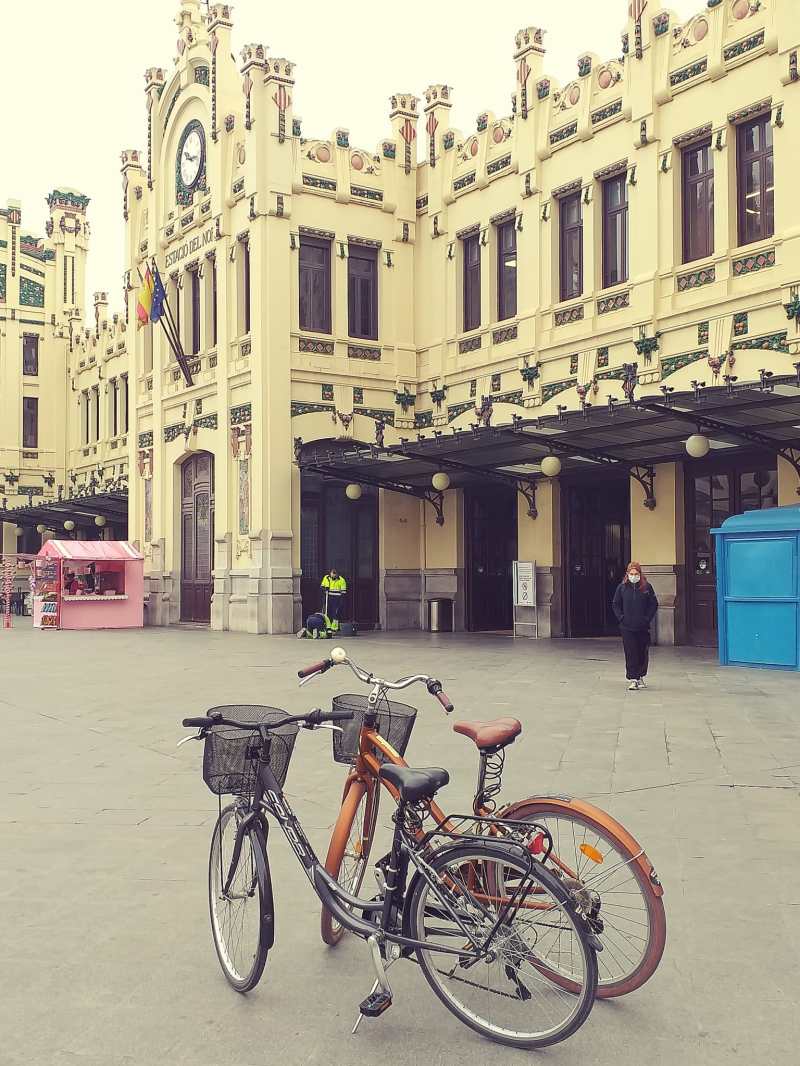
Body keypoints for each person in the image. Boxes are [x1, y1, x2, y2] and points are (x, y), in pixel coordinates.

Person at [612, 562, 658, 691]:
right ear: (627, 574)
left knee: (642, 652)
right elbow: (615, 604)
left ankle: (641, 675)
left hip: (642, 627)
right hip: (627, 627)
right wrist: (621, 618)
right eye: (631, 574)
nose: (634, 576)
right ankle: (633, 678)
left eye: (636, 574)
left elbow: (653, 604)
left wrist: (647, 619)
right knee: (631, 653)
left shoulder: (647, 587)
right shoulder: (622, 588)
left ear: (640, 574)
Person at [320, 567, 347, 632]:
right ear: (330, 573)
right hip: (328, 597)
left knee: (335, 613)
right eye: (332, 574)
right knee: (326, 612)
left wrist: (341, 601)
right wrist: (324, 588)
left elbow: (343, 592)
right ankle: (327, 626)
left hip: (337, 598)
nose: (333, 576)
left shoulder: (341, 580)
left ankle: (334, 628)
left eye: (335, 574)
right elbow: (322, 586)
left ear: (337, 574)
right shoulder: (326, 578)